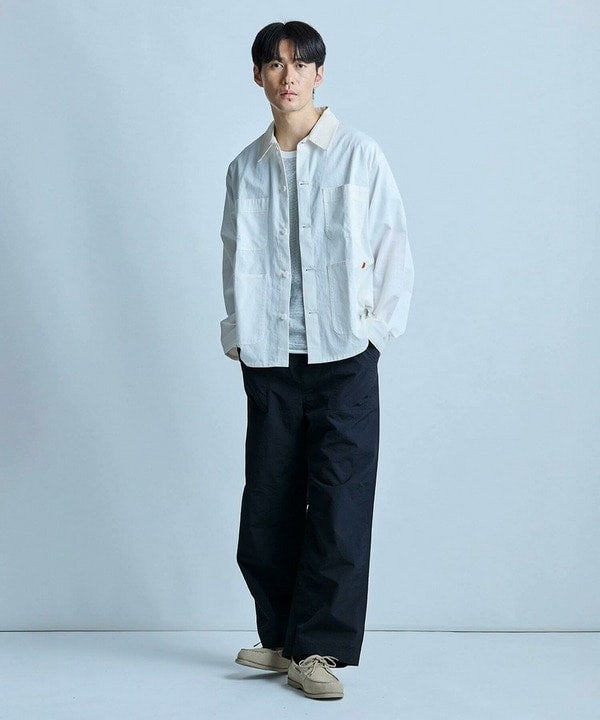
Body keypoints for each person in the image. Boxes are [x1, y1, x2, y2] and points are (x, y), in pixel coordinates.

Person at [219, 20, 414, 700]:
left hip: (343, 358)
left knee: (339, 504)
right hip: (271, 358)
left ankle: (318, 649)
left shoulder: (359, 155)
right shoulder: (245, 168)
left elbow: (393, 247)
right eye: (275, 64)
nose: (289, 76)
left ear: (319, 74)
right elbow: (233, 257)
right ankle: (282, 639)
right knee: (267, 504)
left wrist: (374, 335)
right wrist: (239, 336)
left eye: (301, 64)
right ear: (258, 75)